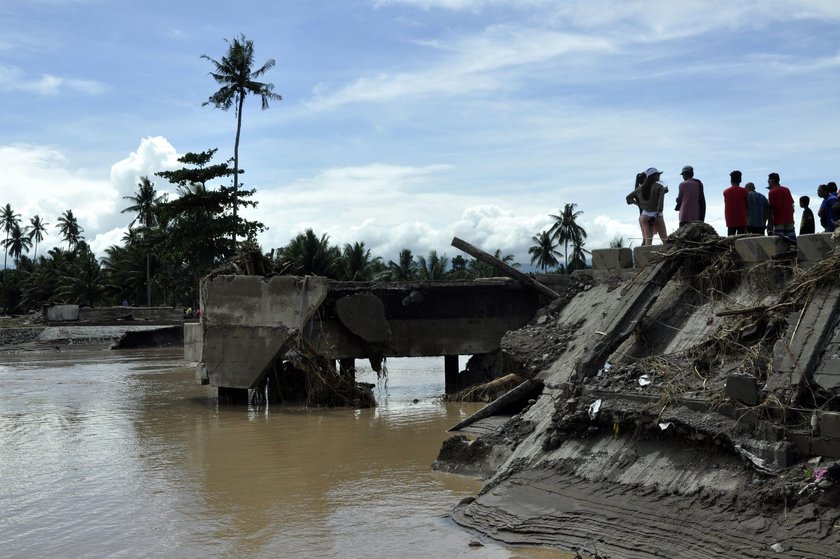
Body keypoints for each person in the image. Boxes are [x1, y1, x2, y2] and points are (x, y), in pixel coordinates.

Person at [634, 167, 668, 246]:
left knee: (647, 241)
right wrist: (657, 213)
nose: (659, 176)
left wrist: (639, 205)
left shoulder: (640, 189)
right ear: (653, 176)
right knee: (665, 239)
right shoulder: (658, 187)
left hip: (644, 215)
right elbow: (659, 203)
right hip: (656, 215)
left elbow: (628, 198)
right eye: (658, 174)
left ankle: (645, 257)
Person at [766, 172, 796, 240]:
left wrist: (769, 223)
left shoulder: (771, 192)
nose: (768, 182)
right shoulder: (786, 190)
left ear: (772, 181)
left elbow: (771, 209)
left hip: (778, 221)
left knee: (779, 243)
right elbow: (792, 206)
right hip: (789, 220)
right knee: (792, 242)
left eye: (768, 181)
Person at [722, 170, 748, 235]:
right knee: (741, 240)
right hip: (742, 219)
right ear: (740, 180)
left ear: (731, 180)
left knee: (730, 240)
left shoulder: (726, 192)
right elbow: (747, 205)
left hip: (730, 220)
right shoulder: (745, 191)